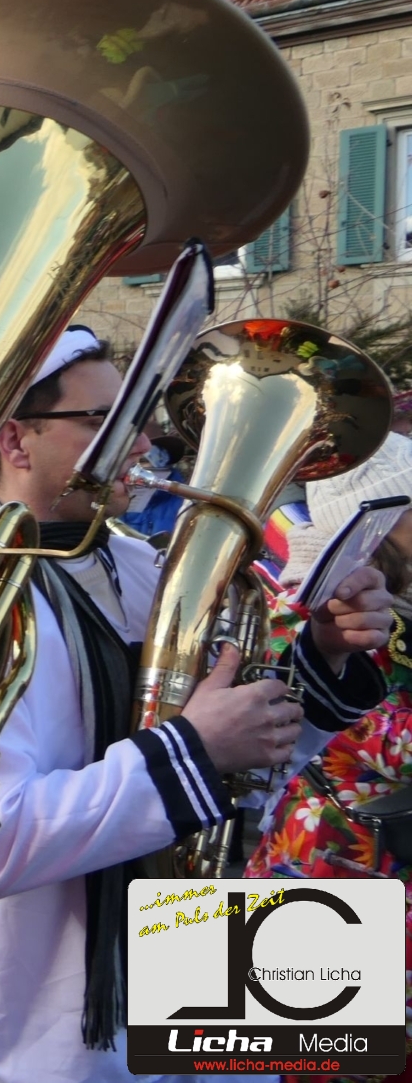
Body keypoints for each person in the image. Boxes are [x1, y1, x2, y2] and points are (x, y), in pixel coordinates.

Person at [0, 326, 392, 1083]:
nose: (143, 444)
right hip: (58, 1021)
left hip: (197, 946)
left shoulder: (140, 562)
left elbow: (242, 779)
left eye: (141, 418)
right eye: (106, 422)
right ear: (15, 439)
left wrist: (325, 653)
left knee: (357, 1037)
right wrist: (194, 751)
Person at [248, 434, 412, 1083]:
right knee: (306, 1064)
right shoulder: (311, 606)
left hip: (372, 881)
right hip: (323, 882)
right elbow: (388, 742)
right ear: (376, 522)